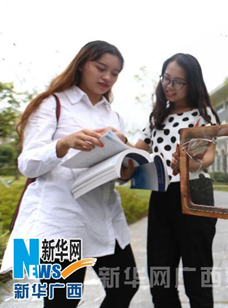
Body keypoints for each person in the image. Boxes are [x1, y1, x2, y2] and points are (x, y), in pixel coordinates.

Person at [1, 41, 139, 307]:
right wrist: (64, 144)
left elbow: (120, 174)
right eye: (101, 68)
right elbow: (28, 164)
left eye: (115, 73)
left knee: (125, 287)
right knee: (63, 301)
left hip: (105, 215)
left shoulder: (113, 115)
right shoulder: (52, 104)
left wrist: (127, 160)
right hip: (62, 220)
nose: (107, 77)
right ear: (82, 64)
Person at [134, 53, 220, 307]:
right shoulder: (156, 117)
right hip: (161, 195)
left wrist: (186, 162)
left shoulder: (203, 117)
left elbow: (206, 158)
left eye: (178, 82)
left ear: (192, 84)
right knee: (160, 276)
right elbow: (136, 152)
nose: (169, 86)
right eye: (166, 79)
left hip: (196, 193)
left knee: (197, 276)